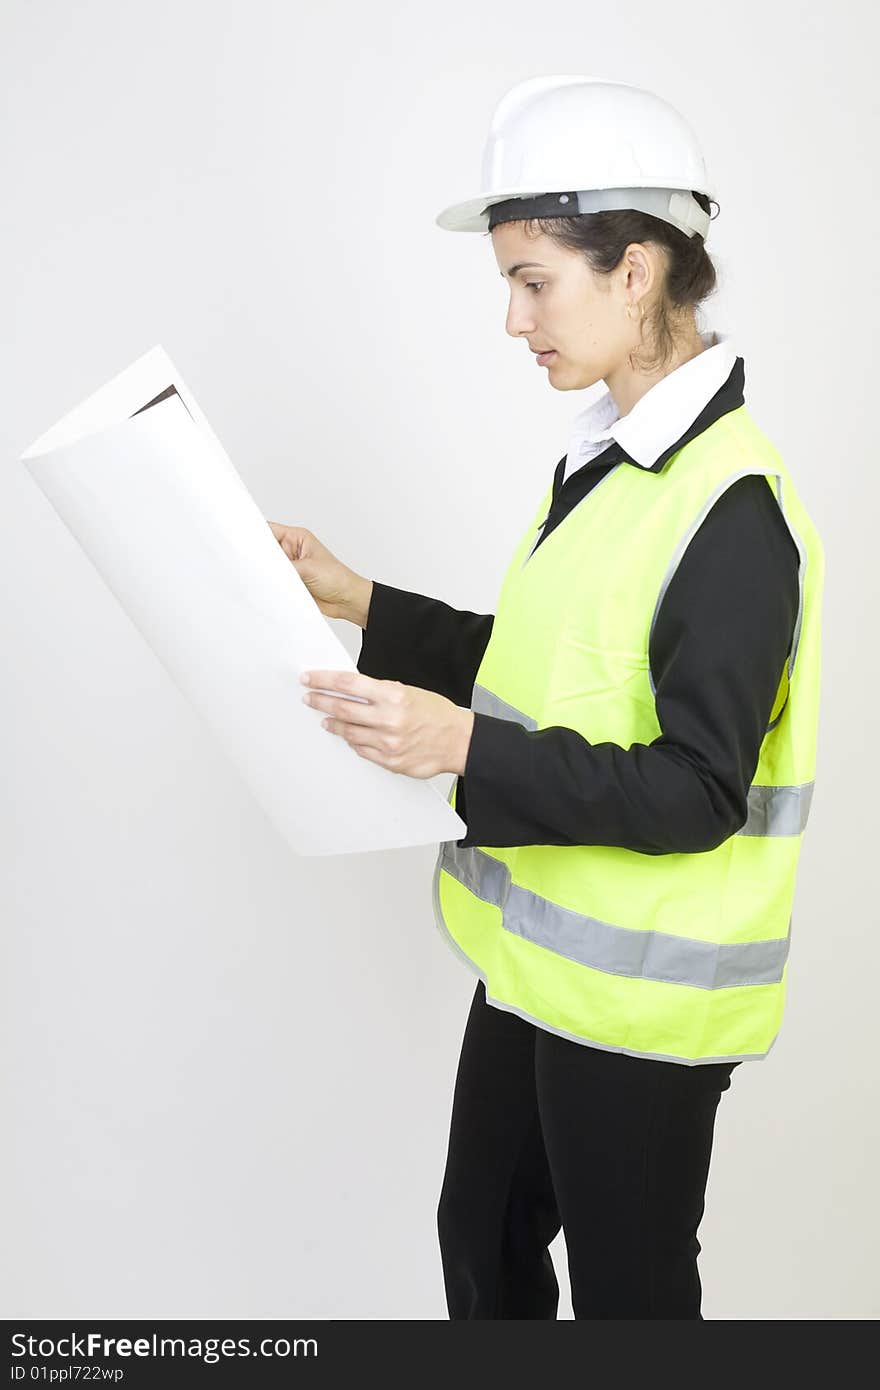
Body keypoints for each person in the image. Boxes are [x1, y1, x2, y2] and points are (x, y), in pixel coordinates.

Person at [268, 77, 824, 1319]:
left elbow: (697, 790)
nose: (513, 319)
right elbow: (537, 664)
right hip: (535, 966)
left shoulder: (731, 507)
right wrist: (357, 599)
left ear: (633, 272)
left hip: (638, 1005)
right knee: (481, 1236)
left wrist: (462, 747)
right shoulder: (609, 462)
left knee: (627, 1295)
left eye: (533, 281)